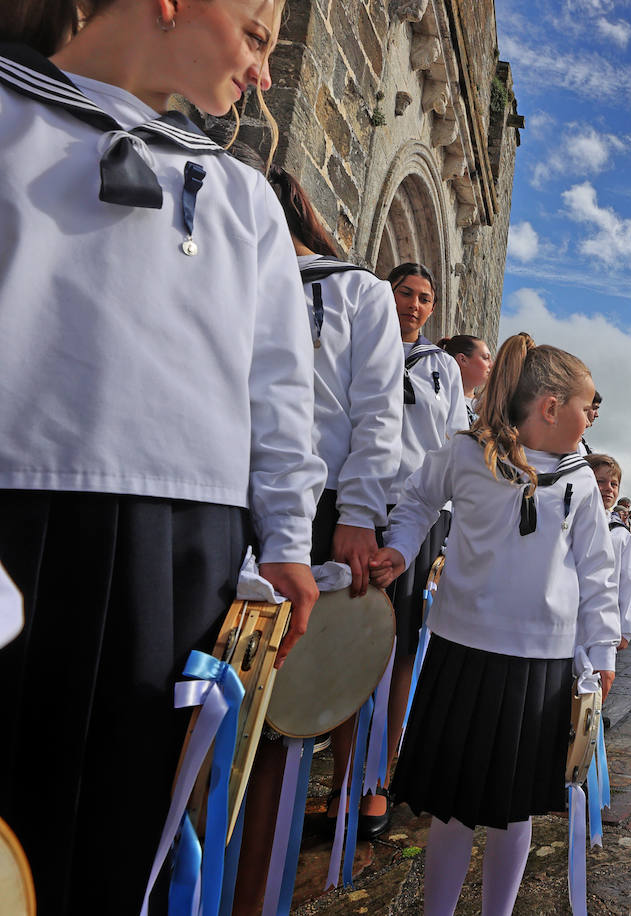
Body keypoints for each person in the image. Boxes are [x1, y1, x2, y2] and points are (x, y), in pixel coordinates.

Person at [0, 4, 327, 913]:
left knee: (123, 835)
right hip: (16, 528)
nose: (264, 71)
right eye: (258, 35)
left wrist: (289, 538)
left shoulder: (243, 198)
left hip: (182, 549)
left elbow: (278, 390)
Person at [369, 333, 619, 916]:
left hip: (541, 666)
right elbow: (416, 503)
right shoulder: (465, 454)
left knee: (515, 810)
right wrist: (401, 551)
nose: (591, 418)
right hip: (464, 654)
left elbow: (597, 570)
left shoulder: (581, 482)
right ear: (551, 407)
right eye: (586, 407)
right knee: (453, 808)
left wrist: (600, 650)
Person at [230, 167, 404, 913]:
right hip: (218, 486)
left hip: (322, 503)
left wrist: (359, 517)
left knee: (278, 708)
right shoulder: (231, 257)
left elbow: (376, 412)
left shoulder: (360, 291)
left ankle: (249, 892)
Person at [358, 261, 467, 830]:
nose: (415, 306)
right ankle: (339, 773)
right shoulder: (360, 336)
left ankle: (382, 773)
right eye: (406, 293)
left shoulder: (443, 369)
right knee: (346, 642)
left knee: (400, 651)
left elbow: (448, 447)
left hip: (414, 517)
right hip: (354, 508)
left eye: (426, 298)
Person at [587, 454, 631, 649]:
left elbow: (627, 579)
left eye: (614, 484)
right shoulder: (571, 522)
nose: (608, 488)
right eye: (600, 481)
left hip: (605, 617)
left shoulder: (621, 534)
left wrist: (626, 629)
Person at [440, 334, 493, 426]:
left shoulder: (488, 407)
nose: (491, 365)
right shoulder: (440, 401)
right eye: (485, 358)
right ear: (463, 359)